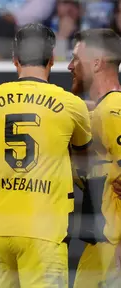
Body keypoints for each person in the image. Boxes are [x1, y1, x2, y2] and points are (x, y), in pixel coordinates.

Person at [0, 23, 92, 287]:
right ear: (52, 58)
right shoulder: (71, 105)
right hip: (44, 231)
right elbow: (85, 158)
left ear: (15, 59)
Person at [67, 29, 121, 288]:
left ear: (97, 62)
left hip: (114, 252)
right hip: (97, 247)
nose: (70, 66)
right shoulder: (102, 111)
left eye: (76, 58)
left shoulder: (113, 111)